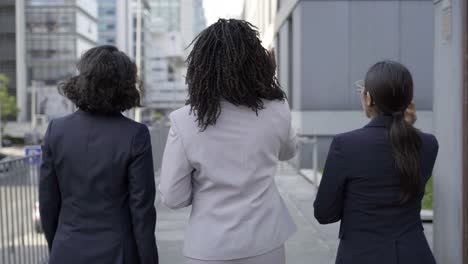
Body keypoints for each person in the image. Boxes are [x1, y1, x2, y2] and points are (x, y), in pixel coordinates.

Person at [159, 19, 297, 264]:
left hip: (209, 247)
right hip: (266, 243)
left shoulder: (185, 121)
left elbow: (173, 197)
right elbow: (287, 152)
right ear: (257, 62)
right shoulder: (278, 108)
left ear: (201, 67)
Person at [39, 45, 158, 264]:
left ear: (82, 81)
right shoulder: (135, 135)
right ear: (126, 86)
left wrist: (57, 246)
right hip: (118, 253)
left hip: (66, 250)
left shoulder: (56, 131)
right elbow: (142, 212)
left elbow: (48, 203)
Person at [314, 60, 438, 264]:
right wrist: (408, 126)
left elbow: (324, 213)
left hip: (362, 255)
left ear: (369, 98)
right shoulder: (429, 145)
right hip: (415, 254)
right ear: (408, 100)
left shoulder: (346, 145)